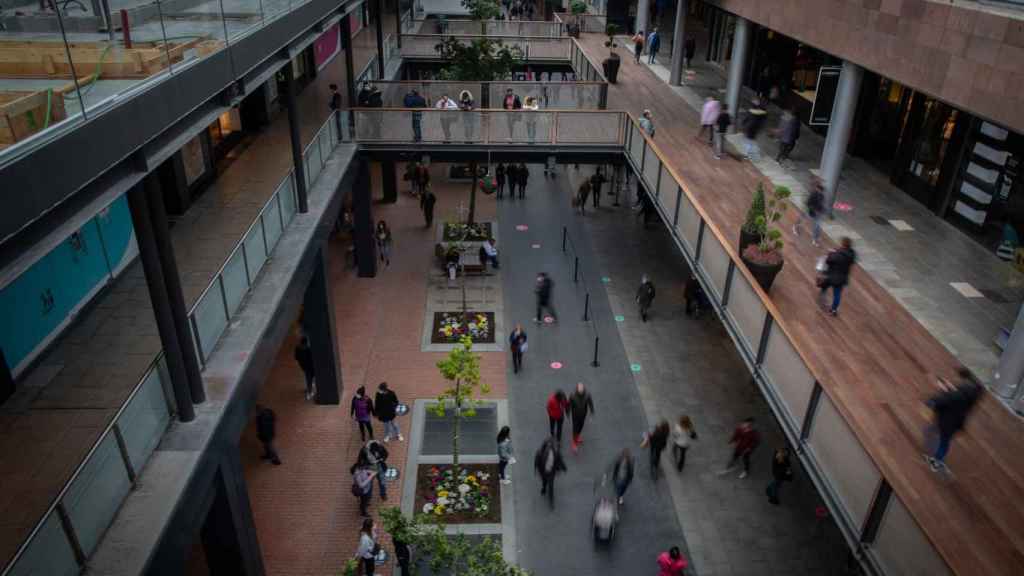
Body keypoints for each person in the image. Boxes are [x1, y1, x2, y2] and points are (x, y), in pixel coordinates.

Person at [924, 369, 983, 473]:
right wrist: (951, 388)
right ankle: (937, 459)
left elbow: (937, 402)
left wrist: (943, 391)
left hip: (947, 423)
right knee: (943, 440)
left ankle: (936, 462)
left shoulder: (955, 395)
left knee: (942, 440)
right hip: (956, 422)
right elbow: (973, 389)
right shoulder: (974, 393)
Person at [818, 237, 856, 316]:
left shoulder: (838, 254)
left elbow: (829, 261)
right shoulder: (852, 253)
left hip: (832, 275)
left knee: (823, 286)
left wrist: (830, 253)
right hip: (842, 278)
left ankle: (822, 299)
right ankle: (834, 310)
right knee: (837, 295)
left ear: (843, 244)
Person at [533, 437, 567, 509]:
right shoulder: (539, 452)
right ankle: (544, 487)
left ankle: (551, 501)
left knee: (551, 486)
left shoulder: (556, 452)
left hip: (551, 472)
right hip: (543, 471)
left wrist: (564, 467)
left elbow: (560, 460)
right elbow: (536, 461)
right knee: (544, 481)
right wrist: (535, 469)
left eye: (551, 445)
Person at [793, 177, 825, 246]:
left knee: (817, 226)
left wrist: (821, 210)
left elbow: (820, 203)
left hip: (816, 211)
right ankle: (795, 227)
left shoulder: (821, 194)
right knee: (802, 218)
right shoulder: (813, 192)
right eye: (817, 183)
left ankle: (815, 239)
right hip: (810, 209)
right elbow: (808, 202)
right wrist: (813, 209)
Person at [568, 382, 595, 453]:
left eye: (582, 390)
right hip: (575, 415)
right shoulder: (572, 396)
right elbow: (569, 405)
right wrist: (567, 412)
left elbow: (590, 403)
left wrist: (592, 412)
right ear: (577, 389)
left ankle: (577, 436)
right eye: (579, 390)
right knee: (575, 428)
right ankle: (574, 443)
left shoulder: (587, 395)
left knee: (581, 426)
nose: (581, 392)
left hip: (583, 415)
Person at [294, 333, 315, 400]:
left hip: (307, 367)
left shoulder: (298, 348)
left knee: (309, 378)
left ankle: (310, 390)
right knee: (309, 378)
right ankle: (310, 390)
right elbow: (296, 357)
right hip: (308, 367)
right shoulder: (308, 349)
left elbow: (296, 357)